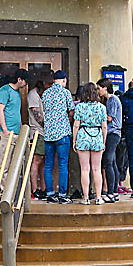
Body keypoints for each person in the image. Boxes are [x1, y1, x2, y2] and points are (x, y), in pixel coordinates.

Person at [40, 69, 74, 202]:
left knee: (48, 165)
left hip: (48, 133)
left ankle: (49, 193)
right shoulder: (65, 92)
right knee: (63, 164)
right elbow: (71, 110)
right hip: (62, 133)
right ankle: (62, 195)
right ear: (64, 80)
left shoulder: (46, 93)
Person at [72, 82, 108, 204]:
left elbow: (76, 125)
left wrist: (74, 140)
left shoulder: (79, 107)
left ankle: (86, 197)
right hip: (97, 135)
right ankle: (98, 197)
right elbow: (104, 126)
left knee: (85, 169)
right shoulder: (102, 107)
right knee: (97, 169)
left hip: (83, 136)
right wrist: (103, 141)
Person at [97, 77, 122, 203]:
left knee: (108, 162)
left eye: (99, 88)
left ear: (105, 88)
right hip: (115, 134)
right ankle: (115, 191)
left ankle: (111, 192)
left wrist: (97, 115)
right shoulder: (111, 100)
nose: (98, 91)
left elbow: (109, 118)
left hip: (112, 133)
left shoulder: (112, 99)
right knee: (112, 162)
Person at [0, 68, 26, 167]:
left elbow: (17, 112)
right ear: (19, 79)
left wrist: (20, 129)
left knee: (15, 166)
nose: (26, 84)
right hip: (7, 133)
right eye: (26, 81)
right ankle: (3, 183)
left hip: (16, 133)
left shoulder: (17, 93)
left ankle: (14, 183)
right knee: (4, 164)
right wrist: (5, 130)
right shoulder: (5, 90)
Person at [27, 66, 50, 199]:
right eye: (49, 83)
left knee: (45, 161)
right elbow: (38, 117)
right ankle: (34, 189)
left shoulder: (45, 94)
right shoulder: (33, 95)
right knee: (36, 160)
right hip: (37, 132)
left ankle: (44, 188)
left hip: (46, 133)